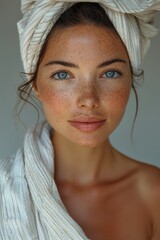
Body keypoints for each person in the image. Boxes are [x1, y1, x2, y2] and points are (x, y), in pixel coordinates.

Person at [0, 1, 160, 240]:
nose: (88, 99)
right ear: (36, 85)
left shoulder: (154, 194)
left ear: (130, 79)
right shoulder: (5, 191)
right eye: (62, 75)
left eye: (110, 73)